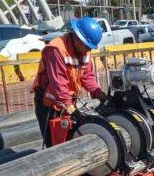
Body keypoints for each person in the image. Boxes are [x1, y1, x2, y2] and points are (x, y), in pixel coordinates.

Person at [31, 17, 108, 147]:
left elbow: (87, 76)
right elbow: (59, 83)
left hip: (66, 101)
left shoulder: (84, 51)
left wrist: (98, 93)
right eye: (87, 46)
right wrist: (71, 108)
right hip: (49, 103)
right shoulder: (56, 49)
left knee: (70, 139)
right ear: (78, 38)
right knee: (54, 143)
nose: (89, 50)